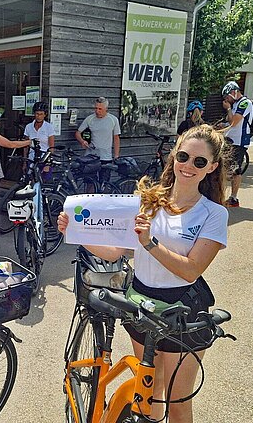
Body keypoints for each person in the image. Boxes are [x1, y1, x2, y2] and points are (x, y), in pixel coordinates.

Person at [58, 124, 228, 422]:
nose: (188, 166)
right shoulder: (149, 200)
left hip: (182, 313)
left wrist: (150, 242)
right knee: (149, 392)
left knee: (177, 402)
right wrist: (75, 231)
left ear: (211, 167)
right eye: (184, 156)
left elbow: (191, 270)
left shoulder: (214, 213)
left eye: (199, 162)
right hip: (141, 305)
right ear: (174, 156)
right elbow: (116, 252)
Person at [219, 81, 253, 208]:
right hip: (231, 139)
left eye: (227, 97)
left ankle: (233, 198)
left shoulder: (245, 103)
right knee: (225, 168)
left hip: (239, 141)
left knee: (234, 170)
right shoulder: (236, 104)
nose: (226, 100)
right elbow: (230, 121)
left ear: (234, 93)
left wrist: (228, 108)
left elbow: (234, 122)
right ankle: (226, 197)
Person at [75, 96, 121, 161]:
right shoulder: (90, 119)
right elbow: (78, 133)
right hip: (90, 156)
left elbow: (116, 138)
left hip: (106, 157)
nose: (97, 111)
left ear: (106, 109)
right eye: (96, 108)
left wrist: (116, 155)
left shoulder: (113, 120)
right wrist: (82, 141)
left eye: (100, 109)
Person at [24, 101, 55, 180]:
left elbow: (51, 147)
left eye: (41, 114)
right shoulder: (28, 127)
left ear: (45, 115)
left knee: (44, 183)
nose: (39, 116)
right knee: (30, 182)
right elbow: (25, 145)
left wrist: (47, 164)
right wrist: (25, 161)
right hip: (32, 158)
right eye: (37, 114)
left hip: (44, 159)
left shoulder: (49, 127)